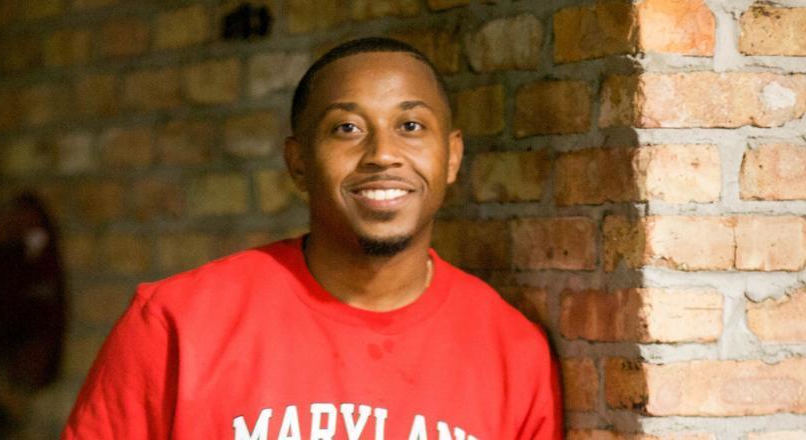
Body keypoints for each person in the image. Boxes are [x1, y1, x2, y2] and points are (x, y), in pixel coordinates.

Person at [63, 37, 562, 439]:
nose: (383, 154)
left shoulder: (514, 354)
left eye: (411, 125)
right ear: (298, 161)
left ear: (451, 157)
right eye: (346, 128)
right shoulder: (176, 325)